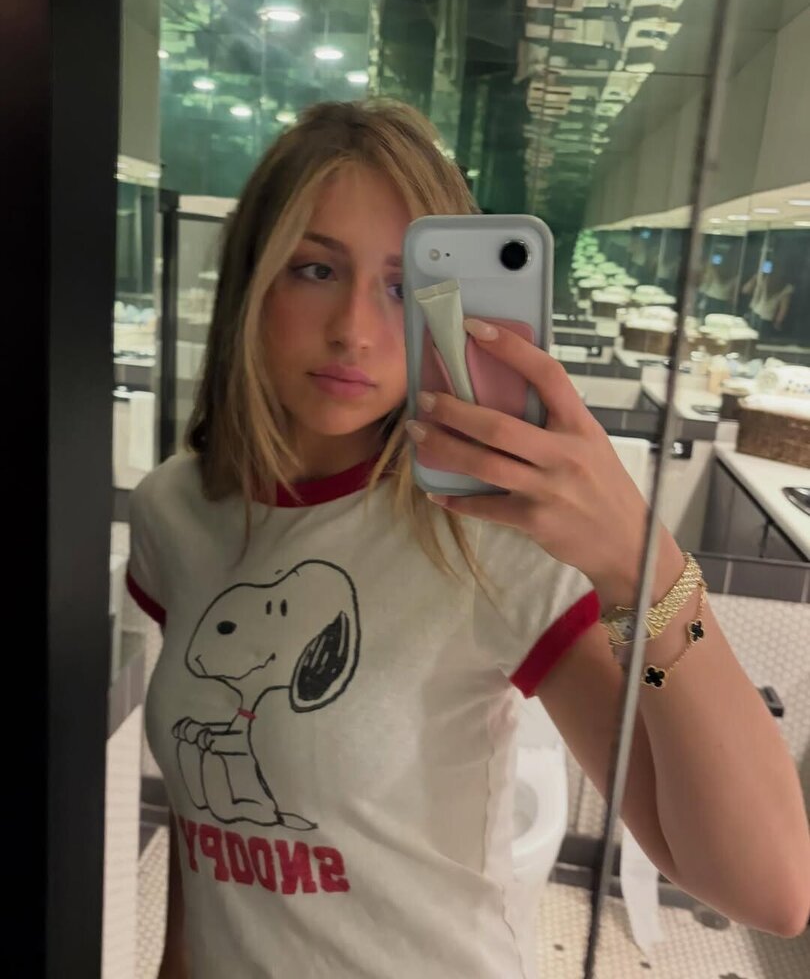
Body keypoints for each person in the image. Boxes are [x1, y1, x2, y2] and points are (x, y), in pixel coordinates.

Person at [126, 101, 810, 979]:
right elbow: (205, 835)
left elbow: (768, 889)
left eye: (401, 286)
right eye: (314, 268)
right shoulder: (177, 512)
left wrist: (644, 562)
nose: (353, 330)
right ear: (251, 285)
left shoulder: (487, 537)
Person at [741, 257, 794, 340]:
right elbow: (783, 309)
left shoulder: (764, 279)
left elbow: (745, 290)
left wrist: (755, 277)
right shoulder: (785, 287)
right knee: (756, 342)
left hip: (755, 316)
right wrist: (777, 323)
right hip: (763, 320)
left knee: (747, 340)